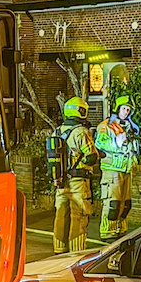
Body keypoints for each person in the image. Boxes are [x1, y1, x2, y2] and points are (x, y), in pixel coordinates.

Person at [48, 97, 98, 253]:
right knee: (79, 216)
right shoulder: (81, 132)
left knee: (61, 215)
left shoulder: (57, 131)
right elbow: (91, 157)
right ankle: (77, 252)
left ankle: (59, 249)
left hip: (61, 180)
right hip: (78, 180)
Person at [95, 94, 140, 239]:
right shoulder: (106, 126)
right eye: (124, 108)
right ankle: (108, 232)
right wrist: (117, 143)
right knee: (112, 204)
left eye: (128, 110)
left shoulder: (129, 127)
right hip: (112, 170)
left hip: (126, 170)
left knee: (126, 204)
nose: (126, 111)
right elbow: (100, 143)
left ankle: (120, 230)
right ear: (118, 109)